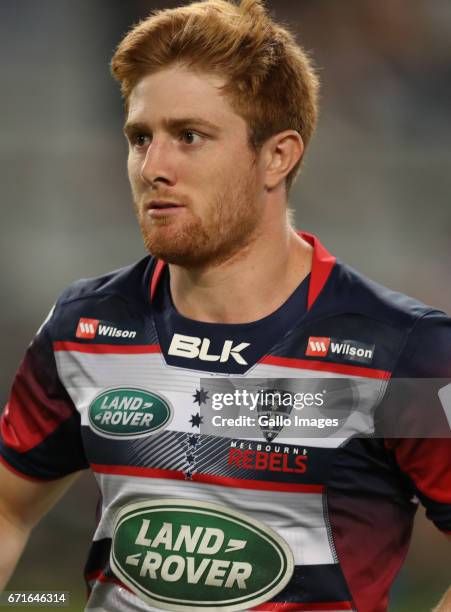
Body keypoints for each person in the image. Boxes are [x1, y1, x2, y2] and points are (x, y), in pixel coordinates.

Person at [0, 1, 450, 610]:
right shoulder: (83, 326)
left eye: (190, 136)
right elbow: (9, 506)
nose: (153, 168)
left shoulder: (405, 350)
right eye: (140, 138)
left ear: (277, 156)